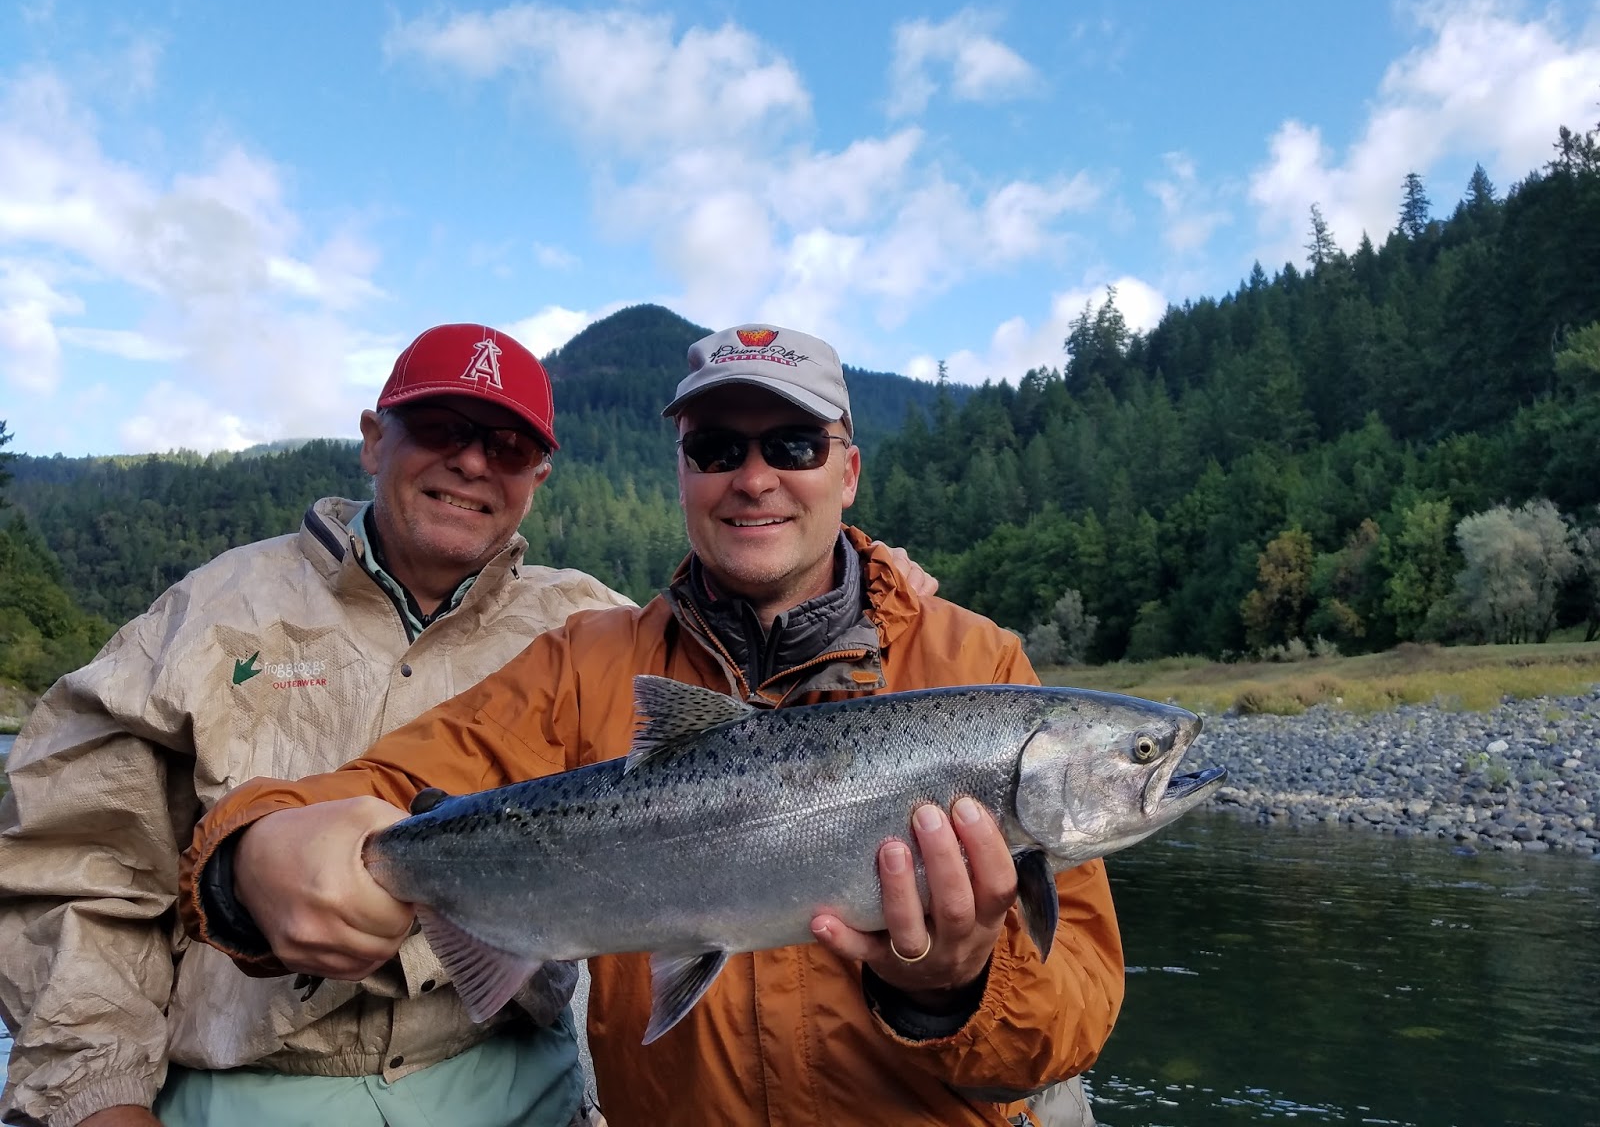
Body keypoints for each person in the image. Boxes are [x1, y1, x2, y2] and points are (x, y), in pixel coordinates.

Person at [178, 324, 1125, 1126]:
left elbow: (1073, 1025)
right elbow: (371, 792)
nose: (754, 478)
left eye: (792, 446)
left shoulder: (980, 669)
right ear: (682, 473)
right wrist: (245, 863)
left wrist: (951, 990)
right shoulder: (584, 665)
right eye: (718, 449)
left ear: (849, 471)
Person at [0, 324, 637, 1127]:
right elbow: (76, 864)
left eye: (508, 447)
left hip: (520, 1085)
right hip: (244, 1095)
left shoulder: (595, 629)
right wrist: (98, 1099)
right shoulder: (213, 611)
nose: (473, 462)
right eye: (441, 428)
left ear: (536, 478)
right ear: (374, 441)